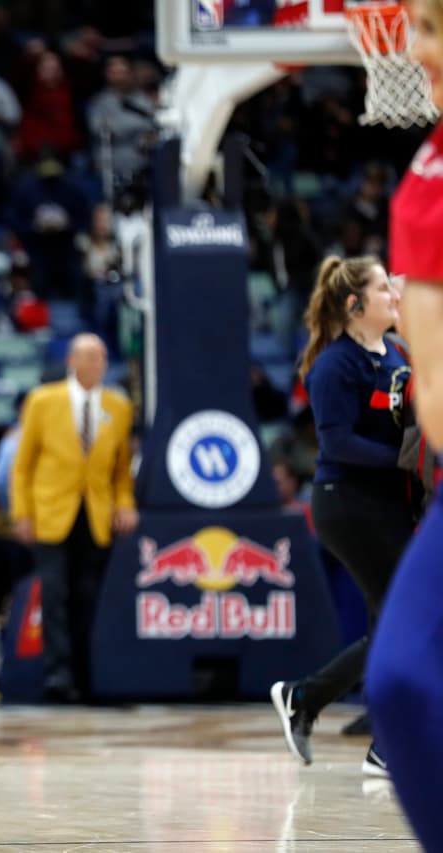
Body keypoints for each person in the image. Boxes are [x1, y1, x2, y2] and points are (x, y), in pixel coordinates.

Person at [270, 256, 414, 777]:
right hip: (347, 501)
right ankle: (380, 737)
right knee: (409, 620)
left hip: (388, 500)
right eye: (381, 287)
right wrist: (410, 458)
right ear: (354, 305)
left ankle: (312, 701)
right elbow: (338, 443)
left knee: (399, 623)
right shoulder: (334, 363)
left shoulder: (396, 353)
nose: (392, 293)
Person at [365, 3, 443, 846]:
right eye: (415, 25)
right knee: (398, 681)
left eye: (433, 26)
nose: (416, 47)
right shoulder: (425, 177)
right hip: (399, 485)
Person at [9, 333, 137, 703]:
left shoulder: (118, 406)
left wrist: (124, 503)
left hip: (96, 514)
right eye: (87, 357)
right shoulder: (42, 401)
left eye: (100, 357)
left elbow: (121, 471)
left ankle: (85, 675)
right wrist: (22, 513)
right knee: (54, 594)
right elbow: (23, 465)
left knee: (89, 596)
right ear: (71, 361)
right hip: (50, 513)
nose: (95, 364)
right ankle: (57, 675)